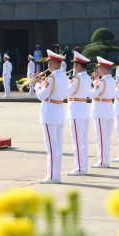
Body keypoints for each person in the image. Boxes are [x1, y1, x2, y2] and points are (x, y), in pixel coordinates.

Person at [34, 49, 69, 184]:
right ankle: (56, 175)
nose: (48, 64)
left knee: (51, 146)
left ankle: (52, 176)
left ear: (54, 62)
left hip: (49, 112)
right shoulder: (64, 77)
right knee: (57, 146)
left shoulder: (52, 77)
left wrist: (38, 84)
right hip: (59, 110)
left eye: (49, 62)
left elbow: (42, 96)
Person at [66, 51, 92, 176]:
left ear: (79, 65)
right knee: (82, 140)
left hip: (76, 109)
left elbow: (68, 92)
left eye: (75, 64)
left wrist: (66, 81)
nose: (73, 67)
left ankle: (80, 168)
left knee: (77, 140)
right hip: (83, 108)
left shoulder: (77, 78)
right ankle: (83, 166)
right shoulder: (87, 77)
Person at [89, 56, 115, 168]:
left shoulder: (102, 81)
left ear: (103, 68)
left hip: (100, 109)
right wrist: (95, 80)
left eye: (99, 68)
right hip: (108, 108)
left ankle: (102, 161)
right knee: (106, 137)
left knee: (101, 137)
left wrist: (91, 85)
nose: (97, 70)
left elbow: (92, 94)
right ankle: (105, 160)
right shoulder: (111, 80)